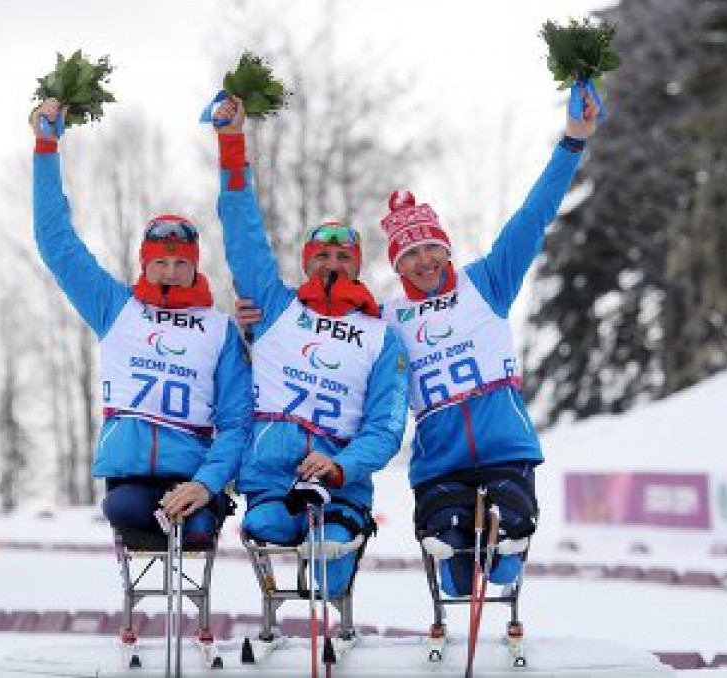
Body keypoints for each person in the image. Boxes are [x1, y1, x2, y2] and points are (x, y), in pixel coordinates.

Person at [378, 91, 601, 596]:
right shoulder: (387, 318)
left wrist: (572, 142)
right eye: (411, 254)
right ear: (397, 264)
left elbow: (532, 217)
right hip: (440, 462)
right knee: (456, 582)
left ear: (447, 247)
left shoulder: (486, 283)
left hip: (505, 448)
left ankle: (508, 552)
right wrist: (256, 322)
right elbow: (320, 330)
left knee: (503, 563)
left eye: (433, 246)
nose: (426, 260)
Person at [31, 98, 251, 547]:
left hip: (194, 475)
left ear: (194, 266)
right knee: (127, 511)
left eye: (179, 262)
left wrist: (207, 484)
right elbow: (56, 243)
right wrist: (46, 147)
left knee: (193, 530)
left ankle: (198, 518)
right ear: (144, 264)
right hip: (129, 482)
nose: (170, 271)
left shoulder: (218, 328)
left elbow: (237, 423)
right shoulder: (116, 308)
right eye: (160, 262)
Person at [212, 95, 408, 597]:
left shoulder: (381, 334)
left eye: (344, 256)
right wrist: (231, 144)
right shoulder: (277, 310)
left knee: (329, 558)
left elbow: (386, 425)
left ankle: (336, 611)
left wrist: (342, 465)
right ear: (307, 262)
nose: (333, 264)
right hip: (270, 476)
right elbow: (243, 237)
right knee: (272, 530)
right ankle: (275, 620)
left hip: (338, 480)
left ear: (358, 265)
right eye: (322, 255)